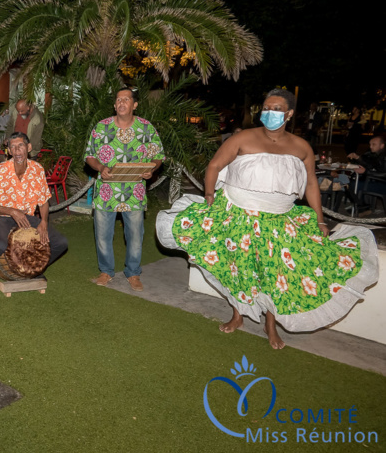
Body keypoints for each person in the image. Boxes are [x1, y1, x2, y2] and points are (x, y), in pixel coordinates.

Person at [156, 88, 378, 350]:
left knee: (274, 273)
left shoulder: (301, 146)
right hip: (238, 213)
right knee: (238, 266)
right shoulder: (243, 138)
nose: (269, 113)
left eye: (276, 109)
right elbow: (214, 166)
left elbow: (310, 187)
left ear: (289, 113)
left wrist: (320, 220)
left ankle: (270, 324)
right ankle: (238, 315)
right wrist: (208, 195)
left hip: (279, 220)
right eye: (266, 108)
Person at [85, 88, 164, 291]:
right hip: (106, 192)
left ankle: (133, 272)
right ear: (114, 105)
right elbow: (89, 156)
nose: (121, 102)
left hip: (135, 192)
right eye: (118, 99)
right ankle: (106, 271)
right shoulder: (101, 127)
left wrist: (152, 169)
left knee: (135, 235)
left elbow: (158, 155)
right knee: (102, 234)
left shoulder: (146, 128)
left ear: (134, 105)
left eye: (126, 99)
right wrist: (100, 167)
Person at [0, 132, 68, 290]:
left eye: (20, 146)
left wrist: (44, 222)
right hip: (2, 217)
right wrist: (12, 211)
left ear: (29, 147)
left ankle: (35, 267)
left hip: (27, 217)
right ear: (9, 151)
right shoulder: (0, 170)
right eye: (13, 147)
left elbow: (44, 201)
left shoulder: (37, 170)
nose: (17, 150)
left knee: (60, 243)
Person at [349, 135, 386, 205]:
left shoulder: (383, 156)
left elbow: (384, 174)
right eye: (370, 144)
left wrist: (366, 172)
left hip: (383, 184)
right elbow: (369, 164)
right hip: (376, 180)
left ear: (382, 145)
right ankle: (364, 206)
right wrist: (357, 158)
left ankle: (363, 206)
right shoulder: (376, 154)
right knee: (353, 181)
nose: (370, 146)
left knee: (354, 185)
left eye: (374, 144)